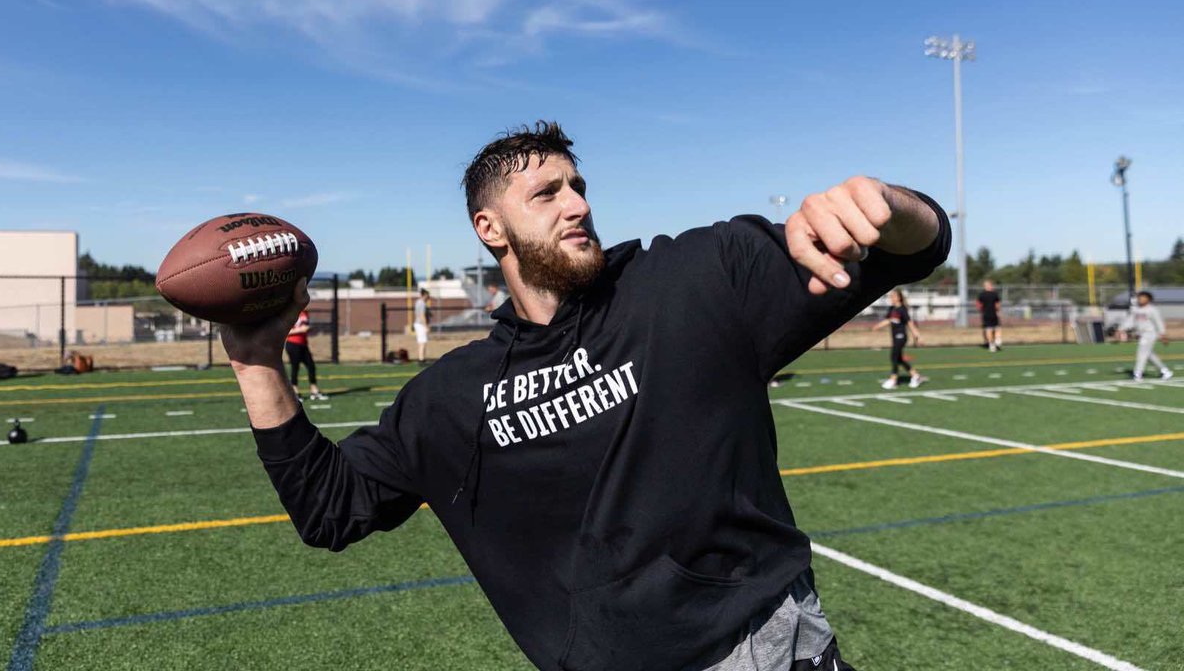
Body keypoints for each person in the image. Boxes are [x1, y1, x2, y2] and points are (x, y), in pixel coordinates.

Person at [221, 121, 950, 671]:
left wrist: (889, 204)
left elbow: (914, 247)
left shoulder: (694, 280)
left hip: (757, 651)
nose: (576, 205)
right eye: (546, 193)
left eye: (579, 187)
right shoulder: (455, 396)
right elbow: (328, 508)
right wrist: (256, 364)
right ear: (489, 227)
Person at [872, 289, 925, 389]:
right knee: (899, 358)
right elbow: (888, 320)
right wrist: (878, 326)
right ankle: (916, 376)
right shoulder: (892, 308)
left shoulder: (902, 309)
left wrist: (917, 336)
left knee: (894, 356)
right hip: (894, 337)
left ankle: (893, 379)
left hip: (901, 336)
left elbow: (910, 323)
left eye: (893, 296)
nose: (891, 298)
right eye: (890, 297)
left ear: (899, 297)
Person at [1119, 290, 1173, 381]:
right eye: (1139, 297)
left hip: (1149, 334)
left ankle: (1138, 373)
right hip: (1140, 334)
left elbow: (1158, 322)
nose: (1140, 299)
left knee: (1141, 353)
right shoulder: (1135, 309)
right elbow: (1130, 321)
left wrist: (1163, 334)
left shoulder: (1152, 309)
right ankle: (1165, 371)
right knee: (1148, 354)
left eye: (1143, 297)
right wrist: (1121, 328)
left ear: (1149, 299)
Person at [285, 309, 327, 402]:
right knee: (295, 367)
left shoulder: (305, 313)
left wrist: (306, 329)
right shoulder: (289, 313)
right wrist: (300, 330)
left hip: (303, 344)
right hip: (292, 344)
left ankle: (314, 391)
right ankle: (295, 393)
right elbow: (286, 331)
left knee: (311, 366)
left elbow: (306, 328)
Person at [976, 280, 1002, 351]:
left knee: (989, 329)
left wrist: (981, 310)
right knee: (996, 328)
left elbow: (978, 304)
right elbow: (998, 305)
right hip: (993, 314)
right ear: (990, 286)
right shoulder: (995, 294)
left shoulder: (981, 294)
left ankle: (992, 345)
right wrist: (998, 311)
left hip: (986, 314)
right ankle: (997, 341)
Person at [413, 288, 432, 363]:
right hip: (421, 325)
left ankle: (421, 358)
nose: (428, 297)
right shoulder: (422, 303)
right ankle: (421, 359)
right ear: (424, 295)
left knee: (420, 342)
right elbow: (422, 315)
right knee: (423, 342)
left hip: (419, 324)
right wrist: (426, 326)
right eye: (427, 295)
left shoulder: (418, 302)